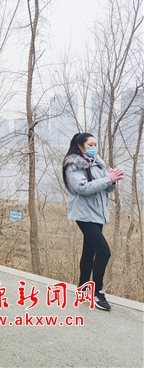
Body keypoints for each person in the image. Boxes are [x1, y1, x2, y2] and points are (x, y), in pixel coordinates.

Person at [63, 132, 124, 312]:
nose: (94, 148)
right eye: (90, 145)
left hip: (98, 213)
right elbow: (82, 188)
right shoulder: (73, 165)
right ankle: (97, 292)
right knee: (104, 252)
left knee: (89, 251)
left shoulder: (98, 162)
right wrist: (107, 179)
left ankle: (83, 289)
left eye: (95, 144)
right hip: (83, 214)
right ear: (80, 146)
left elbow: (107, 187)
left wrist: (112, 180)